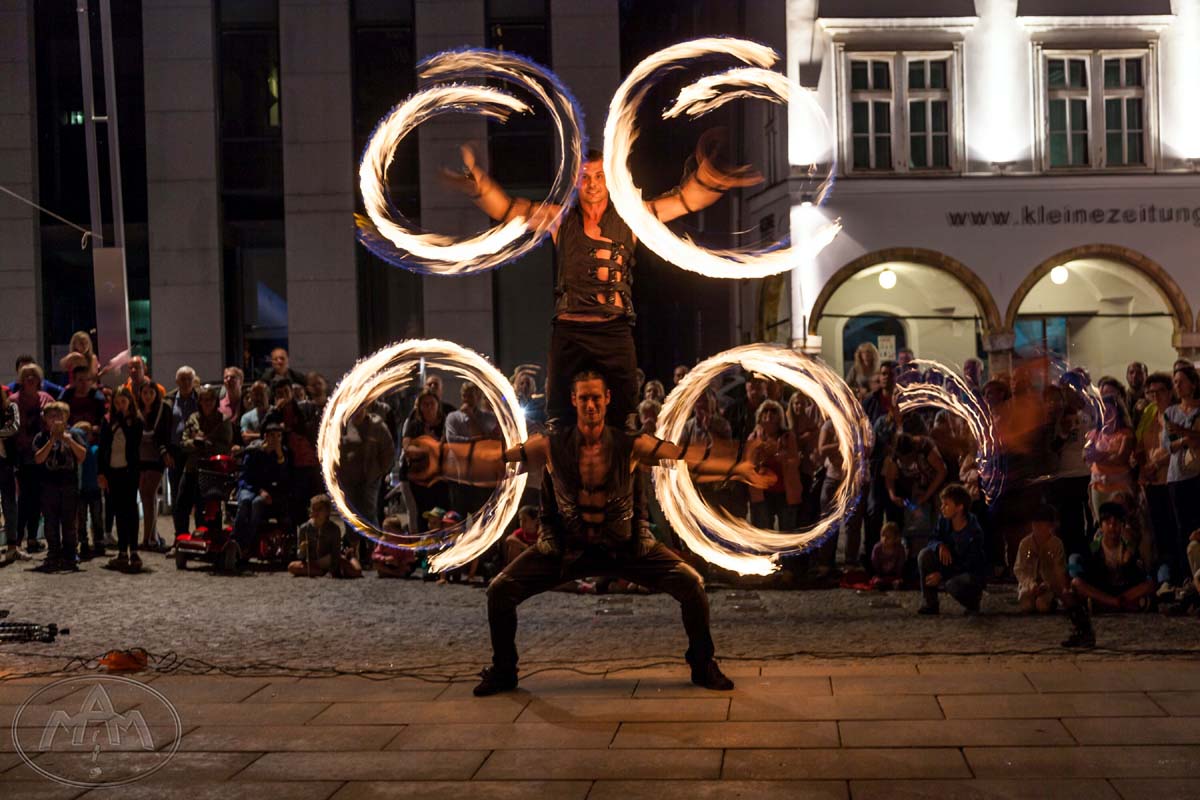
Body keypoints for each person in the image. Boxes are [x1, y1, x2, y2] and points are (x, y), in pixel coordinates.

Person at [404, 369, 774, 696]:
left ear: (607, 399)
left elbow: (684, 456)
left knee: (692, 585)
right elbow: (497, 458)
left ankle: (701, 662)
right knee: (500, 591)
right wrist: (443, 458)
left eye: (597, 398)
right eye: (584, 399)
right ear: (574, 401)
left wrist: (738, 465)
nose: (591, 405)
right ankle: (504, 670)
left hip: (627, 547)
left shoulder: (630, 444)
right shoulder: (550, 445)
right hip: (563, 548)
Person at [447, 141, 758, 429]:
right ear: (575, 182)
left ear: (609, 179)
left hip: (614, 332)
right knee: (558, 417)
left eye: (598, 176)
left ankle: (625, 485)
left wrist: (712, 179)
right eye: (585, 177)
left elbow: (684, 201)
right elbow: (507, 209)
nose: (592, 183)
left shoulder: (632, 217)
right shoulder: (559, 219)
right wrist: (479, 186)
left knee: (624, 417)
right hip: (570, 332)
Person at [1069, 502, 1155, 612]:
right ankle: (1117, 603)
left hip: (1124, 590)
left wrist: (1129, 557)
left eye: (1116, 523)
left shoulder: (1128, 547)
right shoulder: (1095, 546)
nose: (1112, 527)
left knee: (1150, 584)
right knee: (1077, 583)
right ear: (1101, 526)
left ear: (1122, 525)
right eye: (1108, 522)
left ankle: (1106, 605)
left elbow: (1140, 574)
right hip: (1103, 589)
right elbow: (1082, 567)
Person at [917, 484, 989, 615]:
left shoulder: (973, 531)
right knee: (925, 555)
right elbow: (932, 539)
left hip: (969, 573)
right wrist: (939, 545)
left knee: (953, 584)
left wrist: (942, 575)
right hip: (951, 565)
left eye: (946, 504)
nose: (942, 508)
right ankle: (930, 602)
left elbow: (970, 563)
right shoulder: (944, 521)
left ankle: (973, 603)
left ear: (959, 507)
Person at [32, 402, 87, 571]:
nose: (55, 420)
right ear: (46, 420)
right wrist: (51, 441)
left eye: (59, 416)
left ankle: (70, 554)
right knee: (51, 522)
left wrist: (67, 440)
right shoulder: (41, 437)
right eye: (52, 417)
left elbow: (82, 455)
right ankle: (53, 554)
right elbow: (38, 459)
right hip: (49, 485)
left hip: (69, 485)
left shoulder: (74, 435)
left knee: (69, 522)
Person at [264, 377, 323, 531]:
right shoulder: (275, 412)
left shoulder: (303, 408)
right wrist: (275, 411)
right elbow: (265, 429)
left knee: (314, 503)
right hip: (291, 465)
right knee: (296, 507)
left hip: (309, 462)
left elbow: (311, 428)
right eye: (279, 393)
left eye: (286, 392)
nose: (283, 396)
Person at [174, 386, 234, 535]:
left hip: (211, 471)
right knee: (181, 505)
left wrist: (205, 443)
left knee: (207, 507)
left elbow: (225, 445)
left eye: (210, 400)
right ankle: (181, 537)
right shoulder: (194, 418)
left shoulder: (223, 420)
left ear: (215, 401)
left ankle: (210, 536)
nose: (207, 403)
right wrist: (195, 443)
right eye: (204, 400)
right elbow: (184, 442)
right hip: (192, 467)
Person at [99, 387, 143, 573]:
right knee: (118, 510)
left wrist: (124, 421)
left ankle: (133, 549)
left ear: (129, 402)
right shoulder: (107, 421)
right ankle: (122, 550)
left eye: (123, 402)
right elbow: (102, 448)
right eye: (117, 403)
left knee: (131, 509)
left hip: (129, 470)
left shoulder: (136, 421)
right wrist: (101, 473)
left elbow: (134, 442)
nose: (120, 406)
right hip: (113, 471)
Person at [232, 421, 291, 555]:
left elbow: (284, 478)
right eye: (272, 436)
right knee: (245, 503)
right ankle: (236, 540)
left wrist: (280, 457)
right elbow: (246, 476)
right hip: (250, 487)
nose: (275, 440)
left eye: (278, 436)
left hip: (270, 492)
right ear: (265, 437)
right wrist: (259, 490)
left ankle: (248, 542)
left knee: (257, 503)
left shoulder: (283, 453)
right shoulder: (254, 452)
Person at [14, 363, 55, 554]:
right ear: (21, 380)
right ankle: (17, 539)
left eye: (33, 375)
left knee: (38, 499)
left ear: (39, 379)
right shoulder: (14, 402)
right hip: (22, 458)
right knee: (24, 499)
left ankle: (32, 538)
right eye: (26, 375)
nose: (30, 379)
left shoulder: (47, 400)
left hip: (43, 457)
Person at [443, 381, 501, 517]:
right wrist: (479, 440)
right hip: (459, 476)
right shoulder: (453, 417)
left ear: (479, 397)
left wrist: (472, 418)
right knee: (458, 518)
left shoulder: (488, 418)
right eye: (464, 396)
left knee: (482, 518)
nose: (467, 399)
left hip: (482, 477)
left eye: (471, 396)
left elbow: (491, 443)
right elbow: (453, 443)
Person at [746, 399, 802, 532]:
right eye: (765, 410)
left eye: (774, 411)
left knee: (786, 535)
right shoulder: (754, 437)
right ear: (760, 415)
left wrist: (782, 458)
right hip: (762, 494)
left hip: (785, 492)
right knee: (764, 535)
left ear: (780, 416)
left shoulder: (788, 437)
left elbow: (795, 461)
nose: (769, 414)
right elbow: (748, 464)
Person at [1162, 364, 1200, 562]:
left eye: (1181, 382)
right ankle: (1186, 575)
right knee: (1181, 526)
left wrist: (1182, 432)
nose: (1177, 386)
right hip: (1177, 475)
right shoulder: (1170, 412)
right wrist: (1187, 439)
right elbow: (1168, 445)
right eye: (1175, 382)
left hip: (1197, 473)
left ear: (1193, 384)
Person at [401, 390, 451, 533]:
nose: (428, 407)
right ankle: (424, 549)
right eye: (425, 404)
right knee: (423, 513)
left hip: (441, 478)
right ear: (420, 407)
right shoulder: (414, 425)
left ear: (438, 405)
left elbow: (450, 449)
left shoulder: (447, 424)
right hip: (419, 478)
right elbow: (408, 448)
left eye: (431, 404)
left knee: (442, 513)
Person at [339, 404, 395, 531]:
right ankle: (354, 548)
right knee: (350, 515)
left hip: (370, 479)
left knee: (369, 514)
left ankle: (372, 546)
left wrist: (380, 471)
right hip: (348, 480)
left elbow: (388, 451)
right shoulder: (342, 427)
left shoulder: (377, 426)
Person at [1085, 378, 1135, 519]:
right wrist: (1105, 456)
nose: (1106, 414)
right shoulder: (1095, 433)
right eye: (1102, 410)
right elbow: (1086, 456)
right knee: (1101, 525)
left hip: (1119, 486)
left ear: (1117, 411)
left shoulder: (1126, 433)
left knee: (1122, 523)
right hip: (1098, 486)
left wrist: (1098, 456)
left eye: (1109, 410)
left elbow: (1121, 458)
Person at [136, 381, 173, 551]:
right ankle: (152, 536)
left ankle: (147, 538)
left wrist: (165, 452)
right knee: (145, 495)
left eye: (151, 392)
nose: (148, 395)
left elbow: (165, 433)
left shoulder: (162, 410)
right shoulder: (137, 411)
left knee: (149, 492)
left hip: (156, 456)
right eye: (145, 392)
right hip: (140, 458)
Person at [289, 494, 361, 578]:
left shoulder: (334, 529)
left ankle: (351, 556)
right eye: (313, 509)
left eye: (319, 509)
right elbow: (300, 556)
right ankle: (320, 572)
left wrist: (333, 569)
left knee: (356, 572)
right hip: (313, 562)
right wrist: (302, 549)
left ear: (327, 512)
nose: (316, 512)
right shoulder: (304, 528)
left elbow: (335, 553)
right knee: (292, 567)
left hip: (329, 560)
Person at [1014, 505, 1069, 614]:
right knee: (1026, 605)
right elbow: (1019, 569)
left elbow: (1059, 569)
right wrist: (1030, 583)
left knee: (1042, 606)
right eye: (1035, 525)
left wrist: (1048, 583)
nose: (1038, 529)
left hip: (1048, 586)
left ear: (1051, 527)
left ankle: (1052, 601)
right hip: (1029, 585)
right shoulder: (1025, 544)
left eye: (1042, 526)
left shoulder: (1056, 544)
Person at [167, 366, 199, 507]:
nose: (186, 382)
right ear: (176, 381)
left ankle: (200, 526)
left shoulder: (200, 398)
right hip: (175, 451)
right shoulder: (169, 400)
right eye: (182, 379)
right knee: (176, 492)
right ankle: (179, 528)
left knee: (196, 492)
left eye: (189, 379)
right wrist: (165, 452)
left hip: (194, 451)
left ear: (194, 380)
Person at [73, 421, 103, 560]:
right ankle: (83, 541)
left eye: (87, 432)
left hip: (95, 489)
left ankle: (98, 541)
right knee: (82, 517)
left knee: (97, 517)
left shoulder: (96, 449)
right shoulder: (76, 452)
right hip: (81, 490)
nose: (84, 436)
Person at [0, 385, 18, 565]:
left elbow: (14, 427)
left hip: (6, 462)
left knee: (9, 504)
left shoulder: (11, 408)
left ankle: (13, 546)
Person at [373, 514, 418, 578]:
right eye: (384, 530)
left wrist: (402, 562)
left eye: (388, 530)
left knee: (410, 566)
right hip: (388, 562)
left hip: (401, 563)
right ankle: (396, 573)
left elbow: (409, 555)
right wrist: (385, 558)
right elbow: (375, 554)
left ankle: (395, 572)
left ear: (397, 530)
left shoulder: (404, 541)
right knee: (377, 564)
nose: (385, 532)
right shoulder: (383, 541)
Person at [869, 521, 906, 590]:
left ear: (895, 538)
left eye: (888, 537)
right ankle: (881, 584)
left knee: (899, 581)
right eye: (883, 536)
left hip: (894, 574)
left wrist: (897, 574)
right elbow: (874, 563)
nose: (884, 539)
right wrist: (878, 573)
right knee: (876, 580)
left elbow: (900, 564)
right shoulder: (877, 548)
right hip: (880, 574)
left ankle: (894, 584)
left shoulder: (899, 549)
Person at [1126, 361, 1149, 429]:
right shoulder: (1121, 399)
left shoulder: (1152, 399)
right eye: (1131, 372)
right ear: (1126, 376)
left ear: (1146, 376)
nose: (1134, 376)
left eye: (1139, 373)